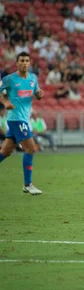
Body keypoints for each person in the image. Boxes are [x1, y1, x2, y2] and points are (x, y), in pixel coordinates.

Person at [0, 52, 45, 195]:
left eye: (27, 60)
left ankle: (28, 184)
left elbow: (35, 94)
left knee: (5, 152)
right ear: (17, 63)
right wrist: (5, 101)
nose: (25, 63)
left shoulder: (33, 78)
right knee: (31, 148)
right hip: (15, 119)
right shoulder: (9, 79)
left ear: (29, 62)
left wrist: (38, 94)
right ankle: (28, 184)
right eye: (22, 61)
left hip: (24, 118)